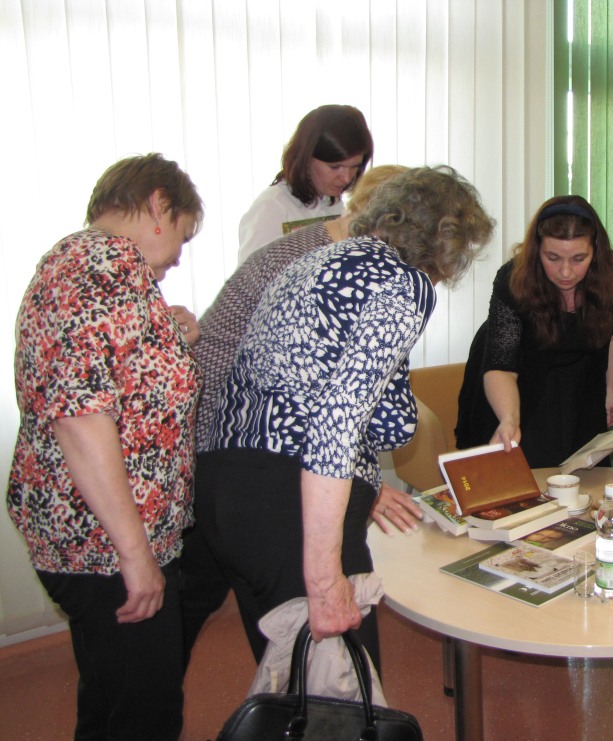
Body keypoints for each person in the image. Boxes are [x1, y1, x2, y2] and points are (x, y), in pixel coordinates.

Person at [195, 166, 494, 669]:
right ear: (447, 244)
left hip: (225, 488)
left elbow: (376, 413)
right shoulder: (402, 283)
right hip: (289, 500)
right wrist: (325, 580)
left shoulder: (314, 260)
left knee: (288, 683)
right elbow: (336, 426)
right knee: (339, 693)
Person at [6, 153, 204, 741]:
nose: (178, 256)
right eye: (183, 235)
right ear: (158, 206)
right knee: (146, 720)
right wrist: (136, 556)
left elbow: (112, 374)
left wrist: (171, 336)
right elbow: (81, 421)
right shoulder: (102, 273)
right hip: (106, 549)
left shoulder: (84, 268)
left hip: (87, 539)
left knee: (110, 702)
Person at [181, 165, 414, 664]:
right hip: (237, 454)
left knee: (278, 647)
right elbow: (323, 409)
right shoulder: (324, 264)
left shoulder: (330, 256)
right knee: (316, 659)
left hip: (231, 459)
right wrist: (358, 484)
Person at [455, 196, 613, 469]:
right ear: (537, 249)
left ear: (596, 250)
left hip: (581, 377)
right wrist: (509, 418)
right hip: (519, 380)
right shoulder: (513, 279)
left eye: (579, 258)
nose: (565, 272)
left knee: (584, 470)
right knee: (527, 467)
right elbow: (502, 366)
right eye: (553, 257)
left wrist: (611, 388)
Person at [237, 104, 373, 263]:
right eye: (335, 167)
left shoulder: (333, 202)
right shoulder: (271, 208)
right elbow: (250, 276)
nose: (347, 178)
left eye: (354, 167)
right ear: (306, 158)